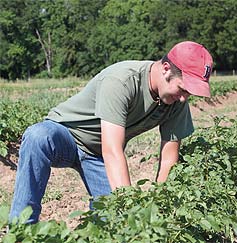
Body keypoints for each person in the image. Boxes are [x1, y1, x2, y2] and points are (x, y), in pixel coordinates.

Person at [9, 41, 213, 224]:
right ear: (166, 69)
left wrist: (156, 209)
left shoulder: (176, 102)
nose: (185, 98)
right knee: (38, 137)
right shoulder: (123, 81)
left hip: (97, 156)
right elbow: (113, 150)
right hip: (67, 136)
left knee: (114, 222)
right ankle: (21, 229)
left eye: (189, 93)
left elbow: (169, 159)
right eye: (183, 89)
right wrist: (131, 208)